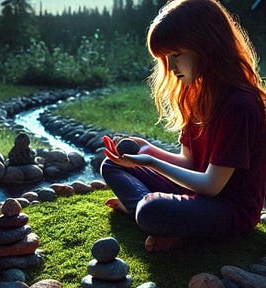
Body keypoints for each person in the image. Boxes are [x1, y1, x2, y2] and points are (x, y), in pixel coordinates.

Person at [100, 0, 266, 252]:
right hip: (197, 195)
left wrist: (152, 163)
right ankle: (165, 222)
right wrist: (149, 150)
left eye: (176, 54)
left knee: (150, 209)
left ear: (206, 45)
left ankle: (155, 217)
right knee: (111, 164)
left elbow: (212, 186)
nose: (171, 66)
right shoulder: (195, 96)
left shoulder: (239, 104)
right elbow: (189, 162)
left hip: (229, 209)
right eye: (166, 58)